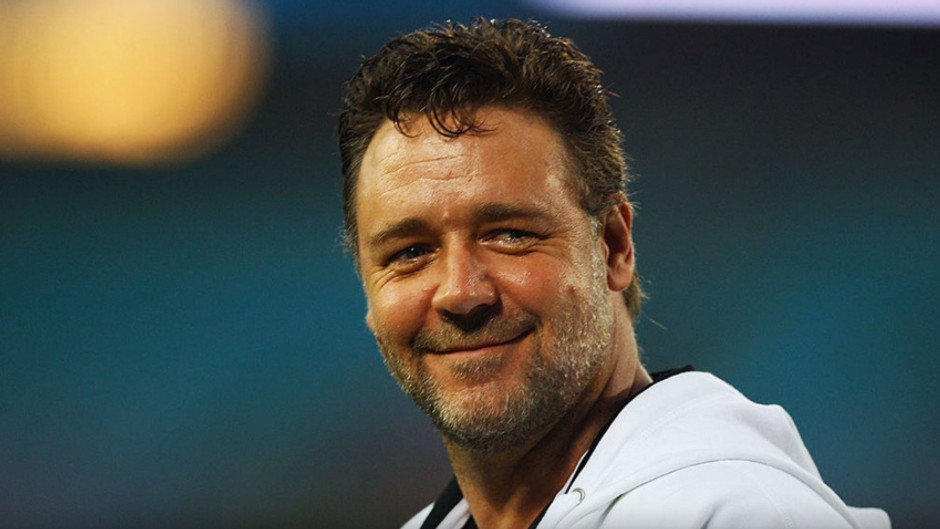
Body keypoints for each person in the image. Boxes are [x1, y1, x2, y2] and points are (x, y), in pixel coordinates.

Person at [337, 18, 890, 529]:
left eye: (510, 234)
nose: (460, 293)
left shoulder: (740, 513)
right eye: (410, 252)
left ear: (613, 247)